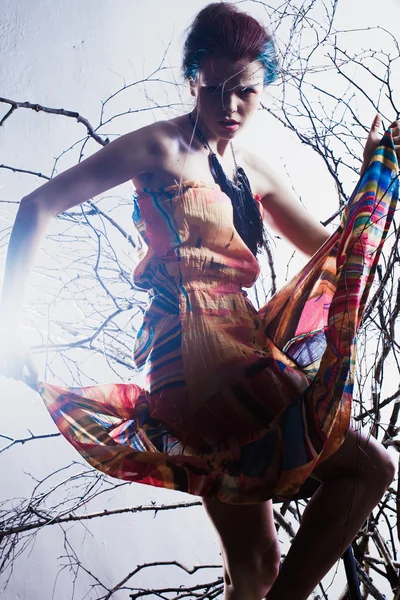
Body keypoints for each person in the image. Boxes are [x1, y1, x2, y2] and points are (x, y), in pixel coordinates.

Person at [0, 3, 399, 599]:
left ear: (262, 88)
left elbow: (331, 251)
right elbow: (37, 206)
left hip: (240, 344)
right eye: (213, 90)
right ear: (193, 80)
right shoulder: (160, 148)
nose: (228, 107)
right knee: (371, 469)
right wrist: (9, 329)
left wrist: (380, 176)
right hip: (192, 353)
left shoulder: (252, 167)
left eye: (244, 92)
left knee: (257, 565)